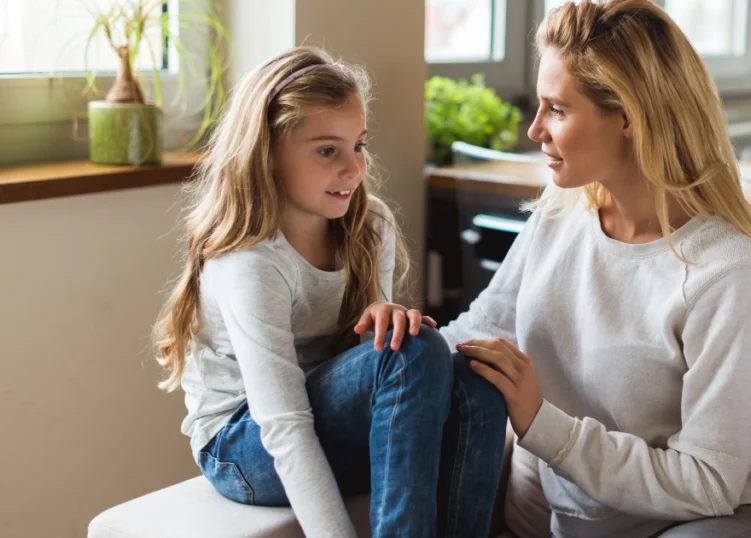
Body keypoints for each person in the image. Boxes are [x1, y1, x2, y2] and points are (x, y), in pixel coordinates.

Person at [440, 1, 751, 536]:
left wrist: (542, 423)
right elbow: (479, 334)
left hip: (711, 520)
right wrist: (405, 341)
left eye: (557, 109)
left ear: (628, 116)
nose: (535, 130)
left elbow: (710, 485)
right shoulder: (557, 215)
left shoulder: (726, 269)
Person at [152, 46, 507, 538]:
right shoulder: (251, 261)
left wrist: (386, 321)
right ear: (269, 155)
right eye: (327, 150)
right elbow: (284, 424)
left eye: (358, 145)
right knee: (412, 351)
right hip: (244, 448)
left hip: (331, 429)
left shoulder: (369, 223)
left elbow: (380, 377)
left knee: (473, 378)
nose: (353, 168)